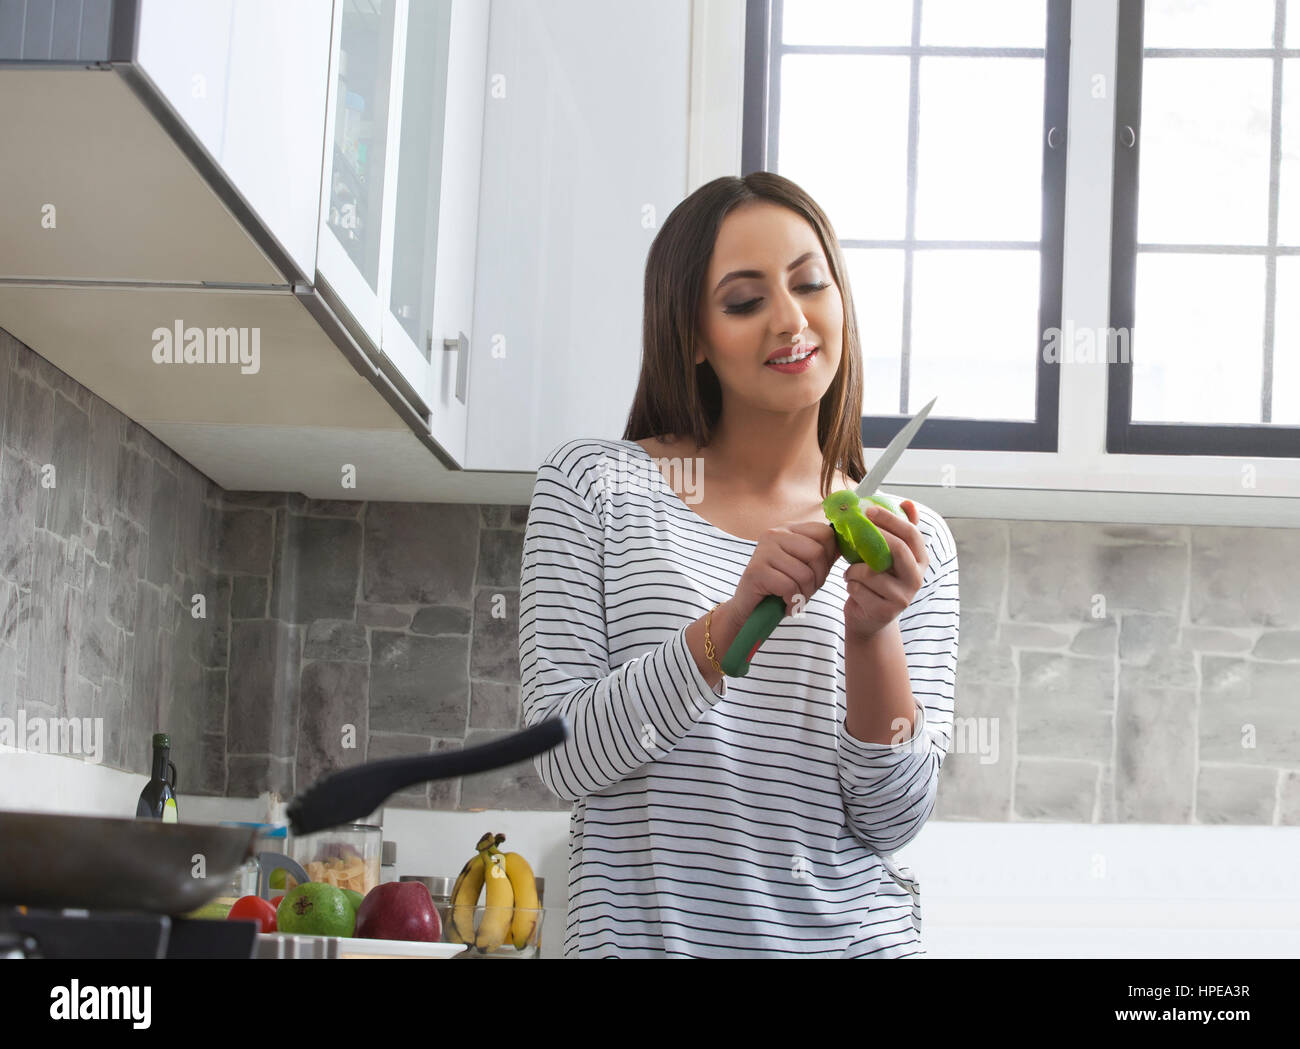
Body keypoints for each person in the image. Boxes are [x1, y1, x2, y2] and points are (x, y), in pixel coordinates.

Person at [518, 172, 959, 958]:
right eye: (745, 301)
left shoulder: (911, 540)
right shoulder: (595, 487)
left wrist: (872, 634)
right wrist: (726, 625)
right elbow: (560, 758)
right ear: (691, 335)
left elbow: (892, 821)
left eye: (810, 284)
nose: (791, 321)